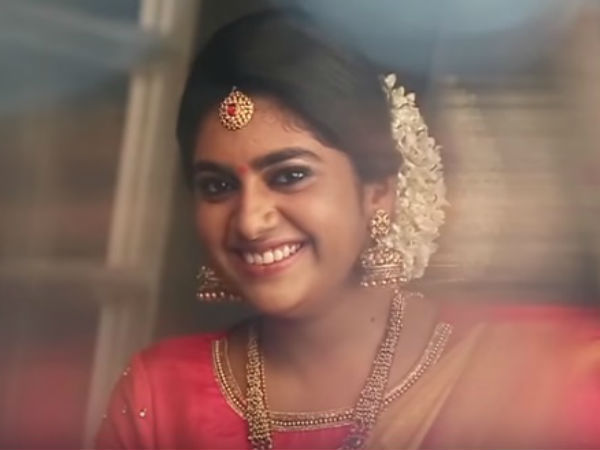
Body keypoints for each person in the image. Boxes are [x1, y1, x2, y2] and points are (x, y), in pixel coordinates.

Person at [95, 9, 600, 450]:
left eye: (290, 176)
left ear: (377, 191)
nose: (250, 220)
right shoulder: (160, 394)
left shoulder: (526, 378)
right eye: (218, 186)